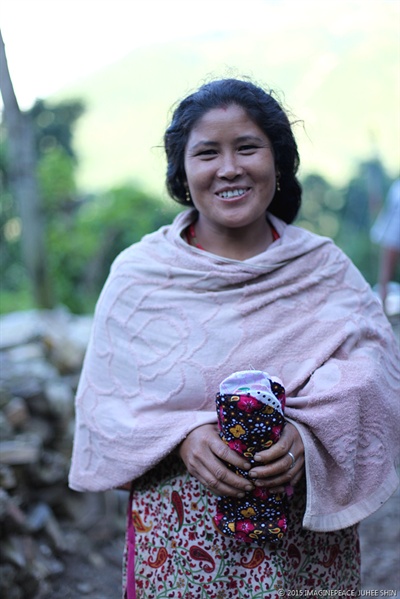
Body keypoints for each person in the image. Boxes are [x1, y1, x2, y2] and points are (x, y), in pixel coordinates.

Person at [69, 78, 400, 598]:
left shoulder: (322, 267)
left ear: (278, 160)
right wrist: (181, 437)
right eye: (207, 153)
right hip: (180, 540)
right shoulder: (141, 277)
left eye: (247, 147)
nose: (229, 168)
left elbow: (374, 369)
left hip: (302, 538)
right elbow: (109, 404)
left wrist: (308, 435)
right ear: (182, 171)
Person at [370, 177, 400, 310]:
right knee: (385, 276)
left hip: (392, 234)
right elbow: (388, 214)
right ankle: (383, 310)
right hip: (392, 235)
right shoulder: (396, 187)